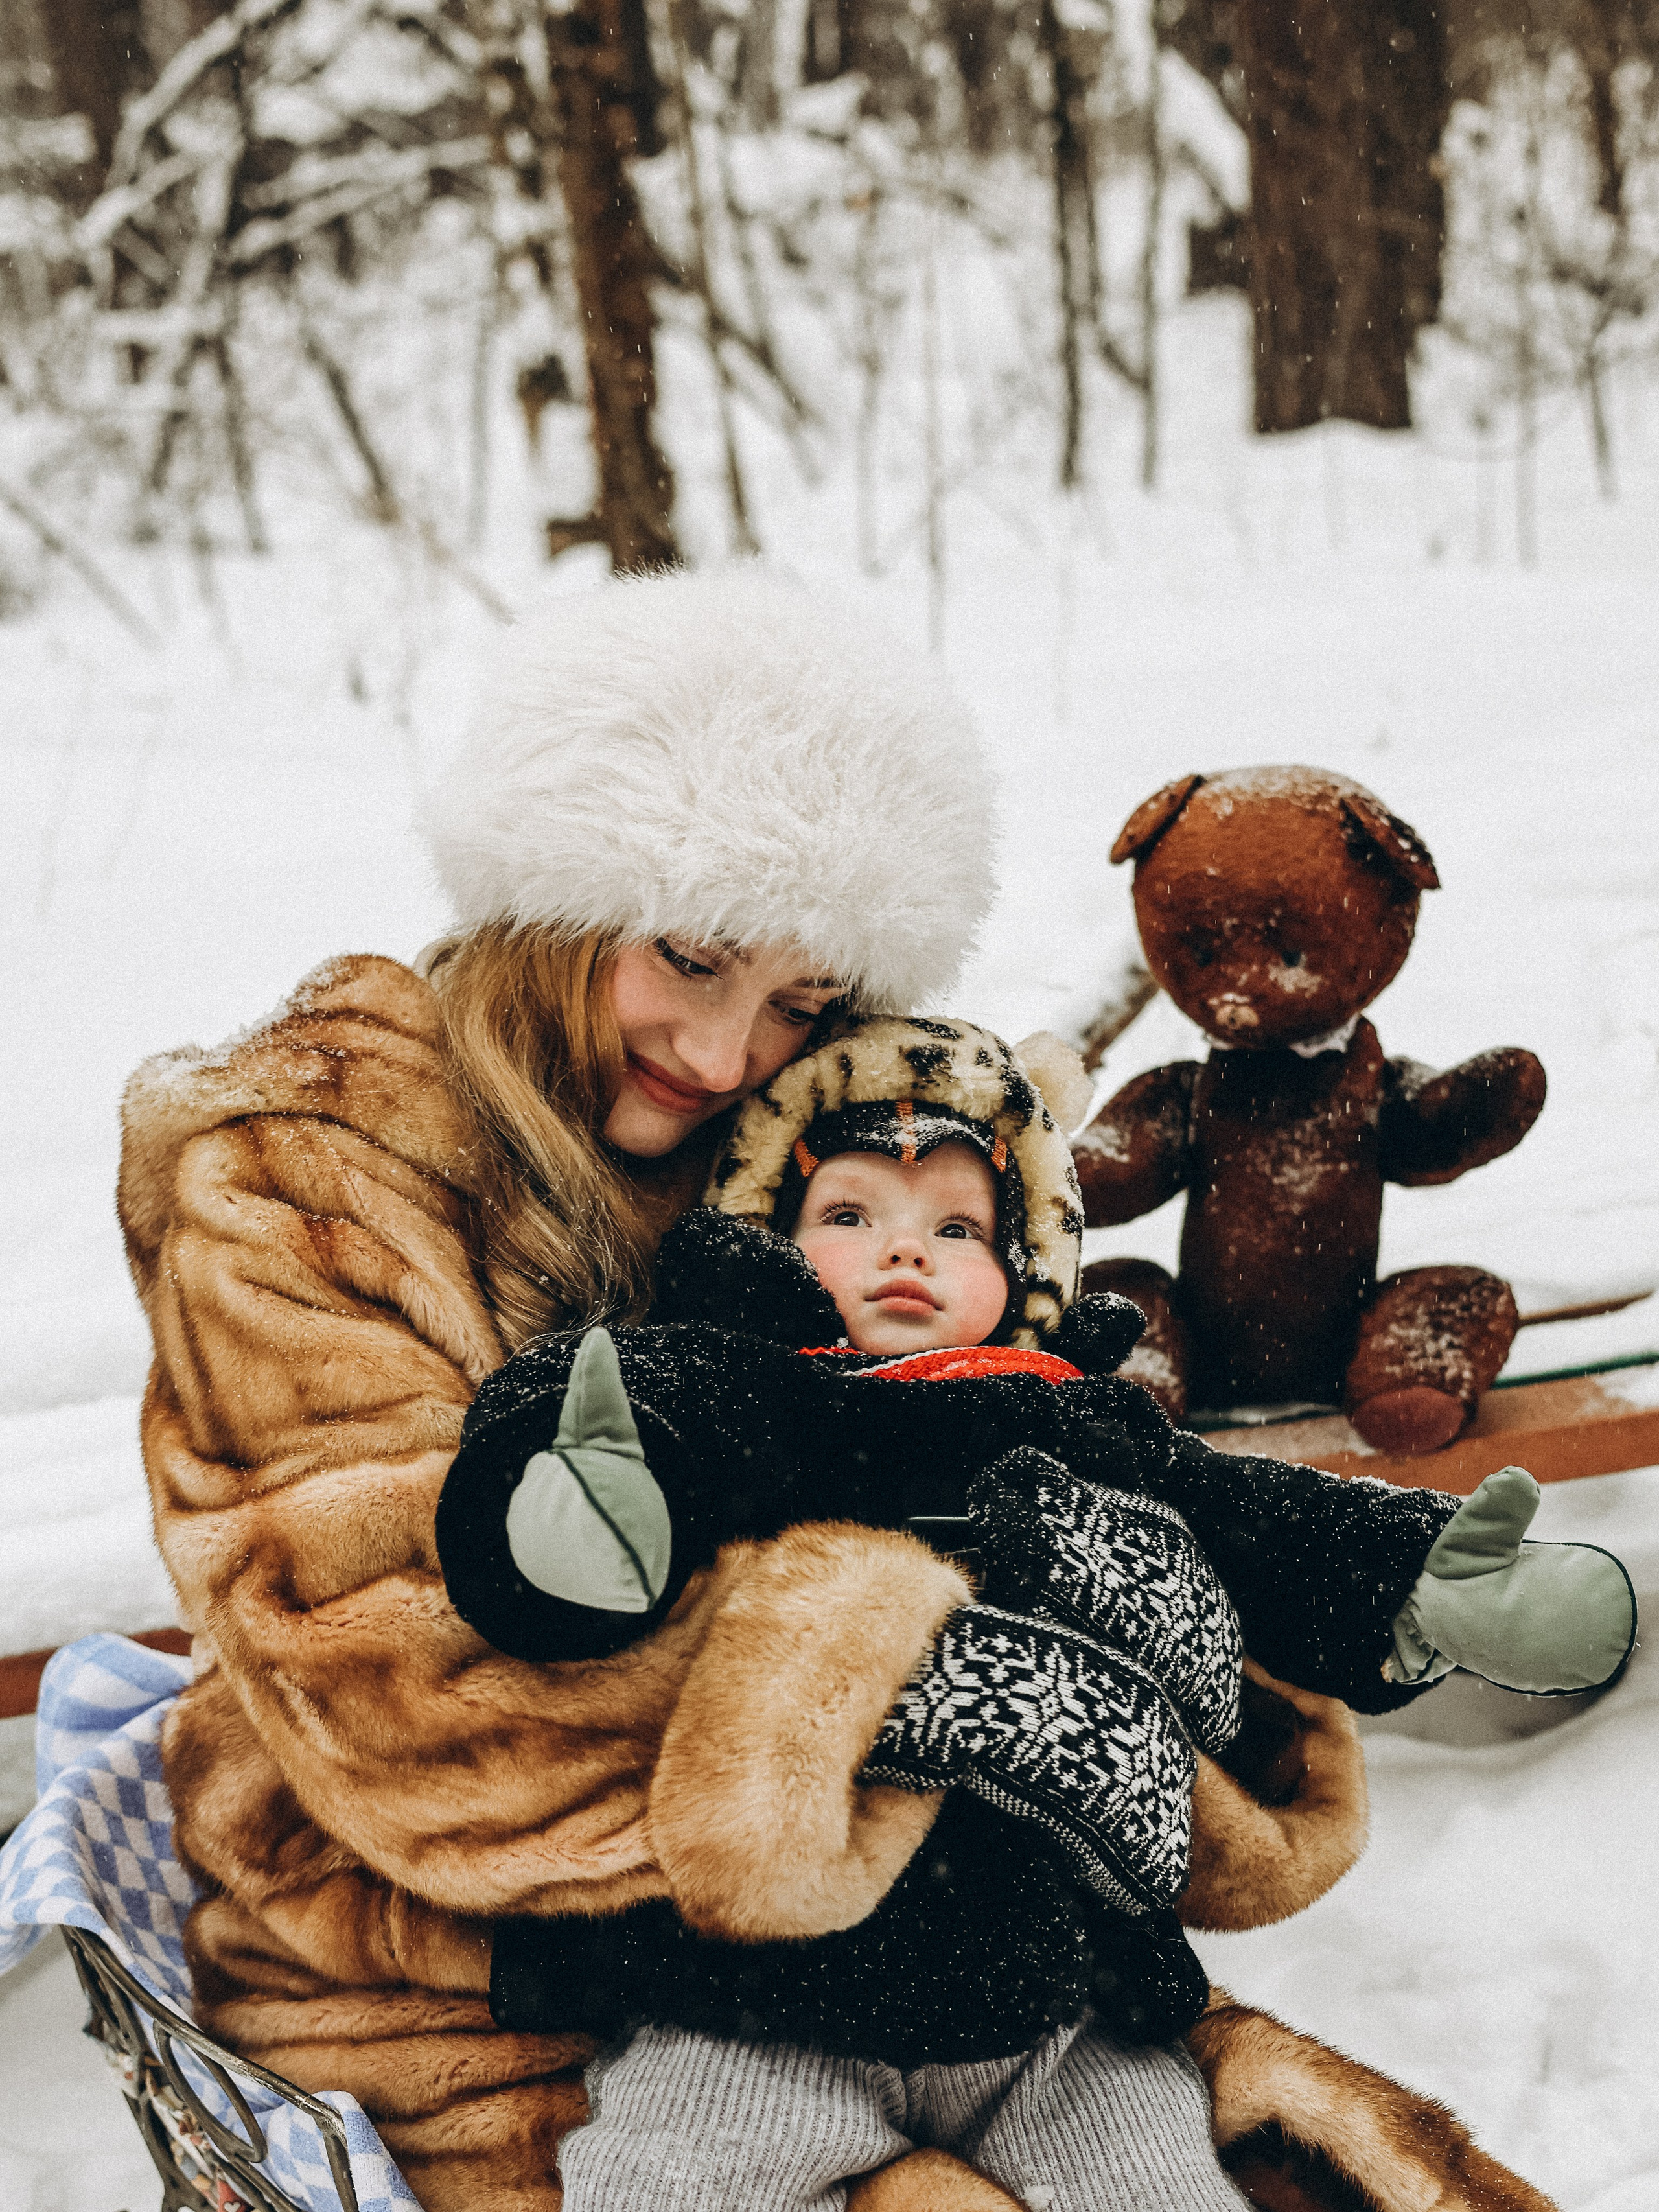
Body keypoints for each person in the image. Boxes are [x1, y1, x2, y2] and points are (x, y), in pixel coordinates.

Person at [116, 568, 1570, 2212]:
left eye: (801, 997)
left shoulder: (804, 1151)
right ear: (551, 894)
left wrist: (1186, 1624)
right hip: (460, 1973)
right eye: (691, 956)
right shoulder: (308, 1173)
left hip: (942, 1926)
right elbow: (396, 1686)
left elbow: (1007, 1447)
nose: (730, 1049)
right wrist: (943, 1676)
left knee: (1360, 2186)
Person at [437, 1012, 1633, 2212]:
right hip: (754, 2006)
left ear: (1025, 1266)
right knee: (664, 2183)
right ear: (769, 1238)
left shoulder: (1081, 1423)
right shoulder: (740, 1379)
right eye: (849, 1216)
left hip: (1053, 2012)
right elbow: (583, 1421)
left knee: (1161, 2185)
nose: (903, 1253)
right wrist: (571, 1514)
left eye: (954, 1228)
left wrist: (1418, 1583)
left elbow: (1255, 1523)